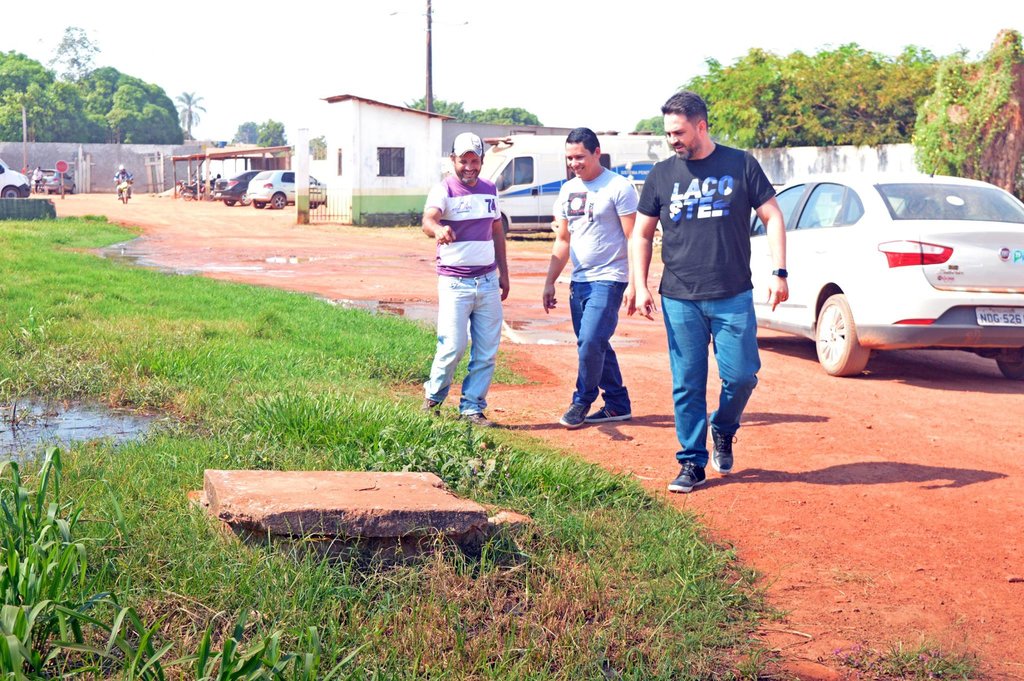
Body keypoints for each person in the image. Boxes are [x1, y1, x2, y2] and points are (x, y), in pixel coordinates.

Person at [632, 91, 788, 493]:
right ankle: (691, 462)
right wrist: (639, 282)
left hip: (732, 293)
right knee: (687, 382)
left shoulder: (740, 164)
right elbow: (642, 235)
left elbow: (772, 215)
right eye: (667, 133)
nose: (673, 140)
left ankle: (723, 427)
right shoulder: (661, 174)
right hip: (679, 295)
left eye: (679, 132)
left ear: (701, 126)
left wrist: (779, 271)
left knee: (741, 377)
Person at [543, 127, 638, 429]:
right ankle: (617, 403)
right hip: (579, 280)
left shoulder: (619, 187)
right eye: (570, 158)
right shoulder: (567, 189)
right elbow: (563, 240)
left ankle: (582, 400)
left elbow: (633, 237)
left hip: (610, 277)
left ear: (597, 152)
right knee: (595, 343)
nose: (574, 163)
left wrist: (636, 283)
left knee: (590, 341)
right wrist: (549, 281)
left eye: (580, 157)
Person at [421, 132, 510, 427]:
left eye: (475, 161)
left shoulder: (489, 189)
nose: (469, 167)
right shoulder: (443, 189)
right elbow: (428, 220)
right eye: (463, 161)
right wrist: (437, 229)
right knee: (453, 346)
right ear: (452, 161)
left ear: (482, 160)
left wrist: (503, 273)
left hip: (486, 281)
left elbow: (497, 230)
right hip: (455, 283)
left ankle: (472, 408)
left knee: (486, 350)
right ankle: (433, 399)